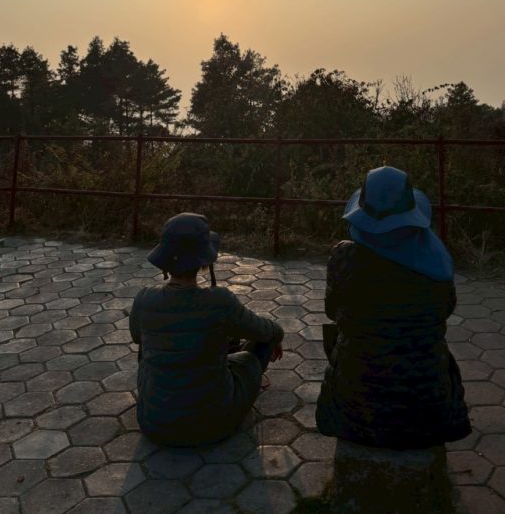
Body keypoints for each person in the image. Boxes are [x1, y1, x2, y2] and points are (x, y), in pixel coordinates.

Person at [316, 166, 471, 450]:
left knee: (341, 337)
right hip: (430, 411)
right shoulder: (434, 262)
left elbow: (330, 310)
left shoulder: (344, 258)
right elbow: (445, 309)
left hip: (354, 411)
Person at [129, 212, 284, 446]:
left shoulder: (144, 299)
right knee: (263, 341)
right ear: (204, 260)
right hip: (214, 425)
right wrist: (277, 335)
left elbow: (137, 338)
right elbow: (266, 330)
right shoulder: (220, 301)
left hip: (154, 424)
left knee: (145, 349)